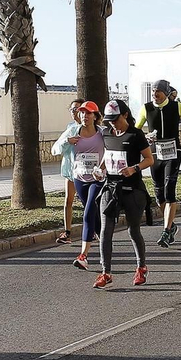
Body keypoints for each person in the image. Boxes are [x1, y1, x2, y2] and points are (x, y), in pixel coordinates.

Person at [93, 99, 154, 289]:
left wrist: (134, 168)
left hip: (132, 189)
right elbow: (108, 155)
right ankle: (106, 272)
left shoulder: (136, 135)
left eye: (115, 119)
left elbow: (149, 159)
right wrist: (100, 169)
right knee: (105, 231)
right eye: (109, 120)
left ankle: (141, 267)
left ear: (125, 115)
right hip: (110, 188)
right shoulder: (106, 134)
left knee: (133, 229)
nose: (112, 123)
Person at [137, 80, 181, 247]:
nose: (155, 95)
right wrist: (143, 138)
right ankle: (171, 225)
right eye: (153, 92)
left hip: (173, 152)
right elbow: (136, 130)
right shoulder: (146, 108)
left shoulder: (176, 106)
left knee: (170, 189)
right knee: (159, 195)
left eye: (158, 92)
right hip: (155, 154)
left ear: (166, 92)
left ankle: (165, 230)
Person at [64, 101, 106, 271]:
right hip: (80, 179)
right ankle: (105, 246)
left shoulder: (102, 133)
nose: (84, 116)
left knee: (88, 211)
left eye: (88, 113)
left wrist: (102, 168)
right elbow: (56, 148)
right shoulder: (73, 131)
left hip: (97, 179)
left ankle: (83, 256)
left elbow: (113, 150)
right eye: (82, 113)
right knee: (95, 219)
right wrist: (67, 141)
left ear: (95, 116)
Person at [50, 99, 87, 244]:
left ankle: (92, 229)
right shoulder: (70, 128)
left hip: (88, 172)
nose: (74, 112)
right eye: (72, 109)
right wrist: (68, 141)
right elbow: (56, 148)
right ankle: (67, 232)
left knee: (88, 202)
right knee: (68, 201)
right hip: (72, 171)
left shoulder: (93, 129)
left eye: (77, 109)